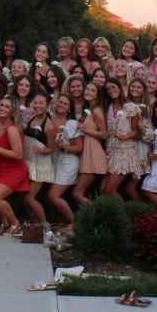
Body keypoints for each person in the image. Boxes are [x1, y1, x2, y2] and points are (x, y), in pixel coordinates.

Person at [0, 96, 30, 235]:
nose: (2, 108)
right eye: (1, 105)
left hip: (13, 170)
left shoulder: (12, 129)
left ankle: (16, 224)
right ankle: (4, 221)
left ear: (13, 111)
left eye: (7, 107)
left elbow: (18, 154)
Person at [47, 94, 82, 234]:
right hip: (52, 162)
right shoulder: (49, 119)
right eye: (60, 102)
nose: (61, 105)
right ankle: (65, 222)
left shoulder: (72, 124)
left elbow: (79, 147)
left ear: (69, 109)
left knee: (53, 195)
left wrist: (66, 146)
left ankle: (75, 222)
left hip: (68, 162)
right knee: (50, 196)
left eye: (65, 104)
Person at [21, 93, 55, 232]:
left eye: (41, 103)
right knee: (24, 197)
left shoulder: (49, 125)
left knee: (29, 197)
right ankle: (35, 224)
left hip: (40, 165)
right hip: (29, 162)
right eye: (36, 103)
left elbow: (51, 149)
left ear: (47, 105)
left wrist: (40, 150)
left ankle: (45, 225)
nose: (38, 106)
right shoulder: (32, 118)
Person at [71, 81, 107, 206]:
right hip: (86, 152)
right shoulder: (89, 109)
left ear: (97, 95)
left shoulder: (97, 111)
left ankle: (97, 216)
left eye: (92, 90)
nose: (88, 92)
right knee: (82, 192)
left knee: (77, 193)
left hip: (93, 154)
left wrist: (86, 130)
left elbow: (104, 134)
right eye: (87, 89)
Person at [105, 78, 141, 199]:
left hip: (124, 151)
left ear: (120, 88)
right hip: (110, 150)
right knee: (104, 190)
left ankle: (131, 214)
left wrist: (126, 136)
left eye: (113, 87)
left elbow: (137, 131)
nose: (110, 91)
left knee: (110, 189)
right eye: (108, 89)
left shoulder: (130, 106)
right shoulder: (108, 107)